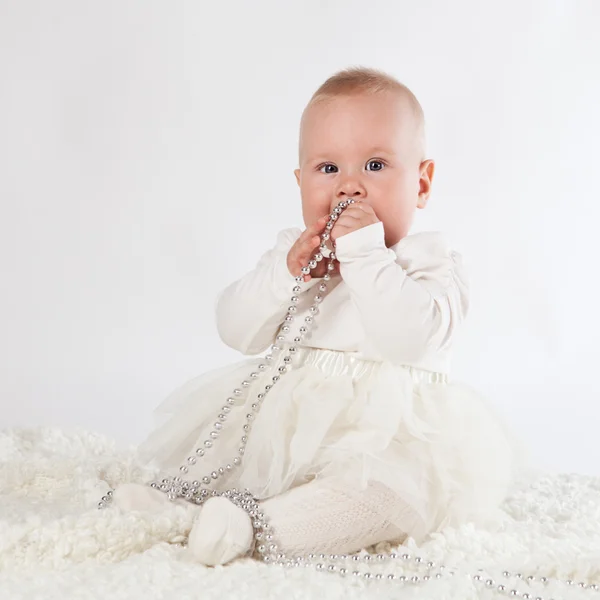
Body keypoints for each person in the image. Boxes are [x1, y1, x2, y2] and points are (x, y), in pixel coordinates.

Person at [112, 66, 529, 566]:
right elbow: (236, 330)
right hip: (286, 420)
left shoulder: (430, 264)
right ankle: (181, 510)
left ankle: (258, 528)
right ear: (301, 181)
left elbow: (409, 340)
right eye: (328, 169)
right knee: (236, 459)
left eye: (375, 166)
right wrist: (288, 277)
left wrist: (366, 255)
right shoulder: (298, 256)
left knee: (388, 496)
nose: (348, 188)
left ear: (421, 184)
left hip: (390, 437)